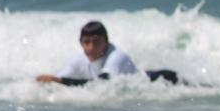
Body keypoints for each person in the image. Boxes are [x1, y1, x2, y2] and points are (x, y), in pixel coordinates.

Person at [35, 21, 180, 86]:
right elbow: (59, 79)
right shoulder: (80, 59)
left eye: (96, 42)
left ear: (106, 41)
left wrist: (62, 82)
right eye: (86, 42)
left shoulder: (117, 56)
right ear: (80, 42)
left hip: (161, 79)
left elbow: (102, 83)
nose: (91, 47)